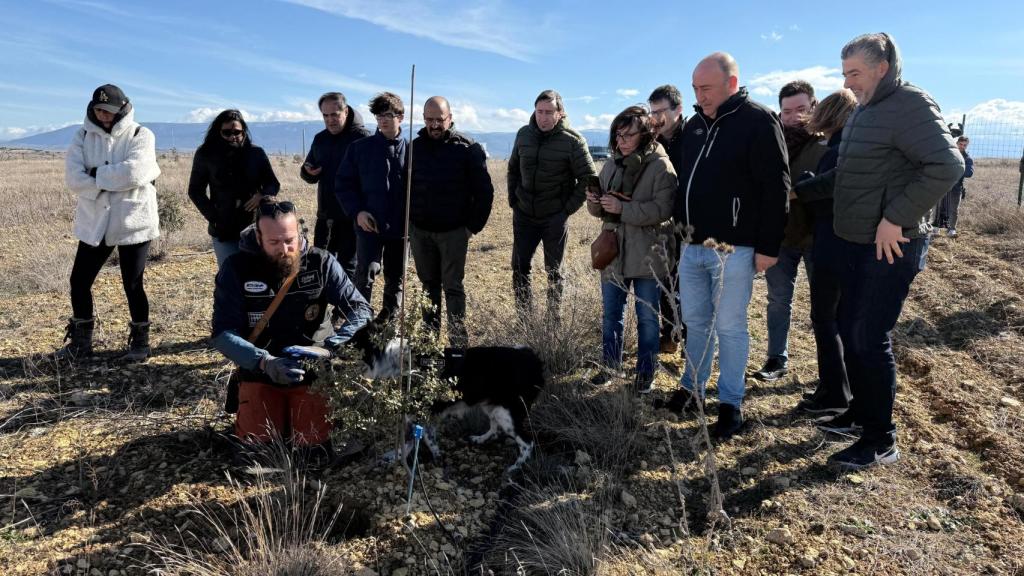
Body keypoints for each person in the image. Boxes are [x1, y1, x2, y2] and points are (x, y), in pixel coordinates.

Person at [799, 33, 964, 469]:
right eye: (845, 73)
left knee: (868, 338)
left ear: (882, 68)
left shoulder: (910, 105)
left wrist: (896, 217)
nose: (847, 82)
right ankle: (860, 414)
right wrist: (797, 193)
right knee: (850, 331)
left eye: (854, 73)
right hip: (857, 243)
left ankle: (880, 440)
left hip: (890, 246)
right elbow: (845, 177)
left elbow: (948, 166)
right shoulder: (863, 113)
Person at [660, 52, 790, 439]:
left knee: (731, 326)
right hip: (692, 245)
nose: (700, 96)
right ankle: (692, 388)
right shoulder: (696, 126)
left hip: (735, 248)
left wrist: (769, 246)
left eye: (707, 88)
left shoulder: (758, 120)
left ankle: (731, 403)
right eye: (696, 89)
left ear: (732, 84)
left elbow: (776, 187)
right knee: (695, 322)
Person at [211, 200, 371, 460]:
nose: (285, 250)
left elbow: (361, 310)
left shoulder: (321, 262)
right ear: (258, 236)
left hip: (314, 374)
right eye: (274, 243)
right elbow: (222, 333)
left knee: (314, 454)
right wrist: (264, 362)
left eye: (290, 240)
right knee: (258, 455)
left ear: (299, 232)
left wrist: (332, 349)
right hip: (261, 372)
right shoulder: (236, 268)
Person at [58, 84, 161, 362]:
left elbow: (135, 172)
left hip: (133, 221)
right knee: (79, 280)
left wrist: (96, 175)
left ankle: (141, 343)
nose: (105, 115)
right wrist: (111, 181)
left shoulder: (141, 134)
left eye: (110, 111)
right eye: (100, 110)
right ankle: (81, 342)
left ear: (123, 108)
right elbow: (74, 179)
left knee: (133, 283)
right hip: (96, 222)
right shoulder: (81, 136)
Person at [586, 106, 677, 393]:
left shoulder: (661, 166)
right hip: (614, 252)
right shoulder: (612, 164)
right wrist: (594, 201)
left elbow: (663, 209)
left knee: (648, 318)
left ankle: (645, 375)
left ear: (645, 134)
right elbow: (598, 211)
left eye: (628, 134)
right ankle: (609, 366)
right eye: (617, 134)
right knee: (611, 314)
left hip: (647, 254)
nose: (621, 140)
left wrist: (623, 209)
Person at [752, 81, 828, 382]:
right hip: (782, 235)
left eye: (801, 109)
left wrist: (796, 192)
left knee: (824, 307)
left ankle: (829, 369)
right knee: (778, 300)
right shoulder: (772, 142)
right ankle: (776, 358)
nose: (794, 117)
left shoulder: (828, 142)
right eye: (786, 111)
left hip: (818, 235)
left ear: (814, 106)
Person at [791, 89, 858, 415]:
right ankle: (836, 390)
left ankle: (834, 395)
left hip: (830, 245)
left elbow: (827, 194)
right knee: (839, 321)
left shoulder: (836, 151)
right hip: (844, 245)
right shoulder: (849, 147)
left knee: (826, 319)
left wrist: (802, 185)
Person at [409, 96, 494, 347]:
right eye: (429, 119)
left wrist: (470, 227)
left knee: (453, 287)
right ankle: (429, 343)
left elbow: (485, 192)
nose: (434, 125)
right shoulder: (414, 148)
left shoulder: (466, 149)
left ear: (450, 117)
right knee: (428, 287)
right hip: (421, 232)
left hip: (453, 232)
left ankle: (458, 344)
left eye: (439, 119)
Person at [508, 90, 597, 318]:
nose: (543, 117)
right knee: (519, 268)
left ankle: (552, 322)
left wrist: (566, 210)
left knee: (554, 271)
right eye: (539, 111)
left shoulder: (573, 140)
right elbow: (513, 168)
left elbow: (588, 177)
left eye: (549, 112)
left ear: (560, 113)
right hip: (524, 214)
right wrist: (514, 200)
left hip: (554, 217)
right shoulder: (524, 134)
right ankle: (524, 320)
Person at [336, 92, 408, 324]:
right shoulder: (360, 149)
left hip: (401, 228)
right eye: (378, 115)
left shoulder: (414, 152)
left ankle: (389, 325)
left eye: (388, 114)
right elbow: (343, 184)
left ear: (401, 117)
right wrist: (358, 212)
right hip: (369, 226)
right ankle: (359, 326)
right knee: (365, 274)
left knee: (396, 279)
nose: (383, 120)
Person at [188, 109, 280, 268]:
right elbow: (195, 191)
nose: (232, 136)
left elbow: (272, 183)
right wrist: (214, 217)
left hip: (255, 227)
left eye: (236, 132)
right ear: (218, 132)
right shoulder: (206, 154)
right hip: (224, 228)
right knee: (230, 276)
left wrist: (262, 195)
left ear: (243, 131)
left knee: (259, 275)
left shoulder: (255, 153)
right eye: (226, 132)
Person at [300, 92, 370, 280]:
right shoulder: (320, 139)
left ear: (345, 112)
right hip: (326, 215)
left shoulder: (363, 139)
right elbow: (308, 171)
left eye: (335, 114)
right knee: (319, 265)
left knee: (349, 268)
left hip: (353, 216)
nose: (330, 120)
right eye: (325, 115)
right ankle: (320, 309)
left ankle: (346, 308)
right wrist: (308, 172)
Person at [647, 84, 687, 353]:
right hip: (662, 223)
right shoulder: (653, 142)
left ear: (678, 110)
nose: (655, 117)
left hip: (689, 223)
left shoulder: (695, 135)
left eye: (660, 111)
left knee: (688, 284)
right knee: (665, 281)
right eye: (652, 112)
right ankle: (670, 333)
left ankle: (688, 337)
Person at [932, 135, 974, 237]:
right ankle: (936, 228)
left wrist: (953, 169)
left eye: (965, 145)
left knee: (954, 210)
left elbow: (969, 173)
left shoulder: (968, 159)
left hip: (956, 187)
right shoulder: (948, 154)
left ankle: (951, 230)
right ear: (956, 143)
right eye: (960, 144)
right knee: (939, 208)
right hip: (943, 185)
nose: (962, 146)